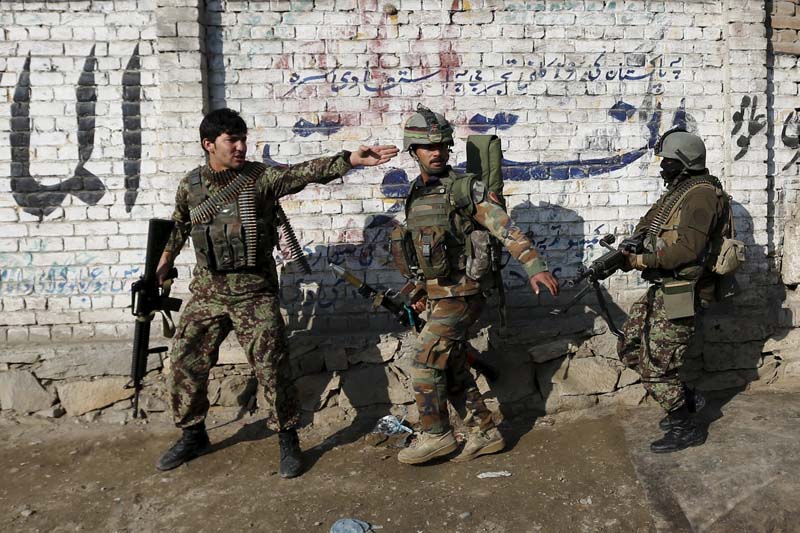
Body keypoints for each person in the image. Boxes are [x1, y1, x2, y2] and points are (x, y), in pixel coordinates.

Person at [154, 108, 398, 477]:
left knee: (272, 367)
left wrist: (349, 160)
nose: (239, 147)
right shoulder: (191, 185)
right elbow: (179, 225)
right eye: (230, 141)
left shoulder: (261, 179)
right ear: (209, 145)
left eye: (242, 139)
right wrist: (164, 260)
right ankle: (192, 433)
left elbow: (302, 173)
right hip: (209, 290)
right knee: (186, 361)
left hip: (254, 291)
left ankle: (287, 438)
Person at [392, 105, 559, 465]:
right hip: (439, 294)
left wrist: (534, 266)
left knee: (423, 362)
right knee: (448, 364)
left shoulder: (465, 189)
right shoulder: (415, 195)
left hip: (465, 294)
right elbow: (424, 250)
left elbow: (504, 227)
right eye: (428, 147)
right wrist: (420, 290)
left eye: (442, 145)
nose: (436, 152)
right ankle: (484, 432)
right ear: (413, 151)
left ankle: (436, 436)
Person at [618, 128, 731, 453]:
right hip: (665, 286)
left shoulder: (701, 195)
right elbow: (649, 224)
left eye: (667, 160)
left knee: (657, 368)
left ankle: (685, 426)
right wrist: (627, 247)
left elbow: (686, 251)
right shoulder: (679, 191)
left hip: (685, 292)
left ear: (684, 161)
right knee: (629, 348)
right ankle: (686, 399)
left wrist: (638, 260)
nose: (662, 165)